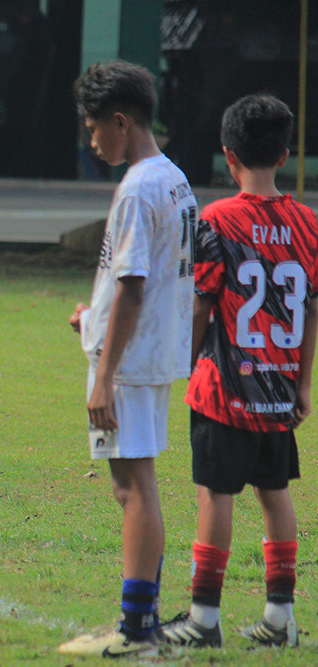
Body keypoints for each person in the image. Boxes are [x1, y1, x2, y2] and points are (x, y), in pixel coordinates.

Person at [158, 95, 316, 650]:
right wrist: (301, 384)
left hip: (225, 388)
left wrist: (187, 357)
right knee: (275, 493)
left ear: (228, 156)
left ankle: (204, 617)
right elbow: (311, 310)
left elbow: (203, 301)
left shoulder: (219, 219)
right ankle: (281, 616)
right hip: (277, 388)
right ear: (287, 153)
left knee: (215, 495)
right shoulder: (308, 223)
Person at [58, 61, 197, 657]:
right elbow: (142, 280)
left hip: (131, 364)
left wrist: (104, 378)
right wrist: (94, 318)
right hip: (148, 350)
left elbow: (137, 286)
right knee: (135, 483)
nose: (92, 142)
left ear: (120, 121)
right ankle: (142, 620)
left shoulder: (139, 187)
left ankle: (138, 629)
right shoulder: (173, 177)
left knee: (132, 485)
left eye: (94, 130)